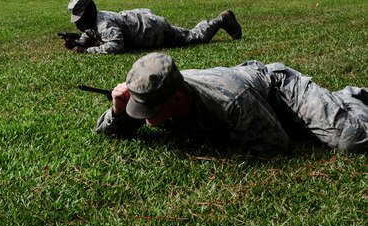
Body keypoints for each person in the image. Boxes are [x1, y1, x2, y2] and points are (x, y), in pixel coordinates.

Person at [96, 52, 368, 153]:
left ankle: (348, 97)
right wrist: (118, 112)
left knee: (350, 139)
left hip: (280, 90)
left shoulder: (231, 103)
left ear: (177, 98)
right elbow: (114, 132)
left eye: (149, 109)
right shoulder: (155, 90)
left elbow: (277, 144)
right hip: (249, 91)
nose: (144, 117)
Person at [62, 0, 242, 54]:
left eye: (80, 20)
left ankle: (222, 20)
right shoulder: (97, 21)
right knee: (189, 34)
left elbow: (116, 46)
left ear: (88, 14)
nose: (78, 24)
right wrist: (79, 42)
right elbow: (92, 34)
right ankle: (220, 20)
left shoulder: (104, 24)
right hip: (145, 22)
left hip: (152, 30)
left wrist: (87, 50)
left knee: (193, 38)